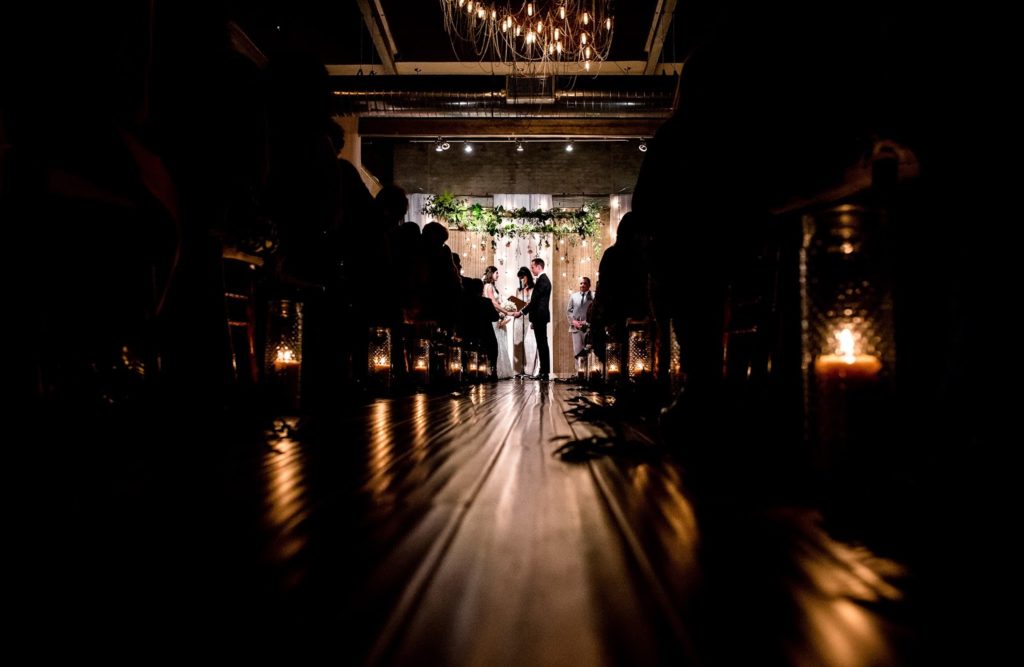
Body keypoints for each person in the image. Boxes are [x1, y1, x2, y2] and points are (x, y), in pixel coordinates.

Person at [513, 257, 551, 381]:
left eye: (533, 267)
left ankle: (544, 372)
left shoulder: (542, 280)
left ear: (539, 267)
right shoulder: (542, 280)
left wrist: (522, 312)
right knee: (542, 345)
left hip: (540, 316)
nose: (532, 270)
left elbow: (534, 302)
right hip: (539, 317)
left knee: (542, 345)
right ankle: (543, 372)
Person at [482, 266, 513, 379]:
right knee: (496, 344)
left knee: (500, 343)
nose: (498, 275)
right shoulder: (488, 286)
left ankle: (499, 370)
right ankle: (495, 371)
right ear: (491, 274)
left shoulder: (492, 286)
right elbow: (493, 303)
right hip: (493, 318)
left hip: (498, 316)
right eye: (496, 273)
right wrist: (506, 311)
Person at [511, 266, 538, 377]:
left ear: (527, 276)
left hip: (529, 318)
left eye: (523, 277)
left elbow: (534, 303)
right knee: (518, 343)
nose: (522, 280)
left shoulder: (534, 288)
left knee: (530, 344)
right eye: (520, 278)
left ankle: (529, 371)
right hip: (518, 318)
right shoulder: (519, 290)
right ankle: (518, 370)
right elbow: (516, 304)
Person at [566, 276, 593, 374]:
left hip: (588, 328)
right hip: (575, 328)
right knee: (577, 352)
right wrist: (573, 322)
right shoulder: (574, 296)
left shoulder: (593, 296)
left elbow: (594, 311)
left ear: (589, 285)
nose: (582, 285)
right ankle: (579, 373)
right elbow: (568, 311)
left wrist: (586, 322)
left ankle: (589, 373)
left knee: (589, 351)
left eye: (585, 283)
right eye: (581, 283)